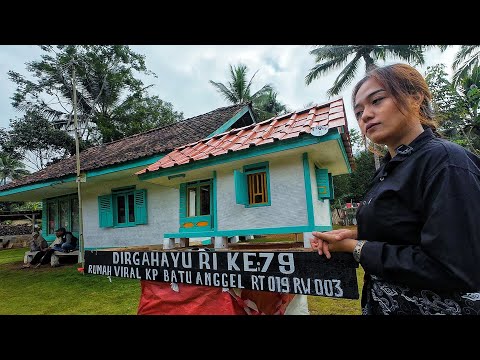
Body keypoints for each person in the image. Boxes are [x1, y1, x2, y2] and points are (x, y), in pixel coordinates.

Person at [310, 63, 480, 315]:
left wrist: (355, 249)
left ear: (415, 98)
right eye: (358, 112)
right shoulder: (390, 169)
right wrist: (353, 234)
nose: (365, 115)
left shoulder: (445, 162)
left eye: (376, 100)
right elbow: (405, 230)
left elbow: (452, 266)